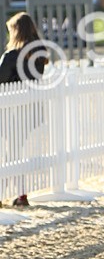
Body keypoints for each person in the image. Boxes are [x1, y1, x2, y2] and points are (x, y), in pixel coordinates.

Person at [0, 12, 48, 207]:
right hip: (32, 110)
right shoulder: (39, 54)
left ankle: (9, 193)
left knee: (11, 154)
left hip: (12, 111)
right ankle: (20, 195)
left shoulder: (12, 56)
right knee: (15, 152)